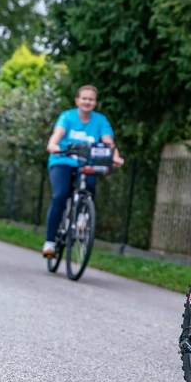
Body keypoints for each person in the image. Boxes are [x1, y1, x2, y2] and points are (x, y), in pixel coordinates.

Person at [42, 85, 124, 257]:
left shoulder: (100, 121)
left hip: (86, 162)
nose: (87, 102)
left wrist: (115, 156)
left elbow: (109, 143)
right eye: (84, 98)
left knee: (90, 184)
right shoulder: (67, 117)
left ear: (95, 102)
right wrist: (53, 145)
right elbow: (57, 134)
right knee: (60, 195)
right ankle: (50, 242)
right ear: (77, 100)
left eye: (91, 99)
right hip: (62, 159)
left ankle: (82, 217)